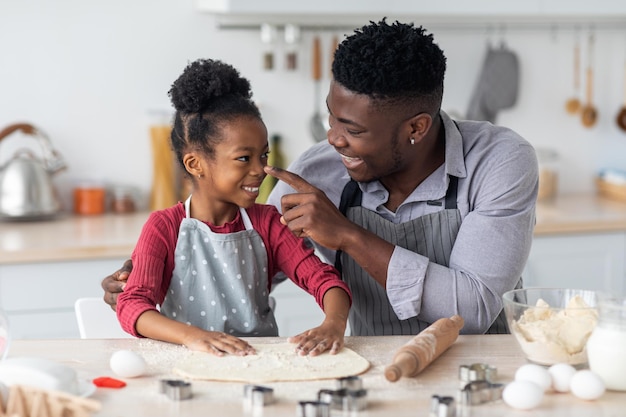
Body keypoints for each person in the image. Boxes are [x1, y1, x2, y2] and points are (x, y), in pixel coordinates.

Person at [103, 19, 537, 336]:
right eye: (332, 117)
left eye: (354, 130)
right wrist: (155, 271)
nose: (334, 139)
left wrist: (348, 235)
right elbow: (256, 252)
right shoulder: (318, 170)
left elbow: (475, 309)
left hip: (483, 370)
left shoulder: (499, 161)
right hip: (374, 370)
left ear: (416, 128)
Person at [114, 58, 351, 356]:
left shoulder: (268, 223)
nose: (259, 170)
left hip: (258, 364)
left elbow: (326, 281)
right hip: (187, 362)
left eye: (263, 156)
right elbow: (133, 306)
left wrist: (333, 323)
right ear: (195, 164)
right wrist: (194, 337)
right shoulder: (164, 227)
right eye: (244, 158)